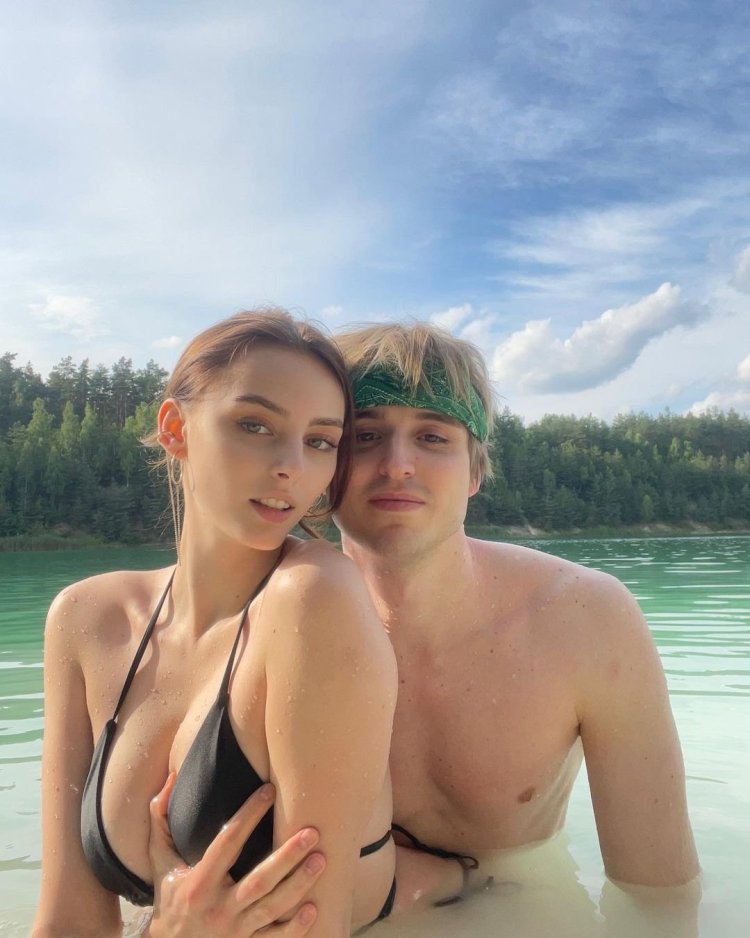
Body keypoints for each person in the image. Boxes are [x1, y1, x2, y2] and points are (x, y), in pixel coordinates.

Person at [145, 320, 700, 936]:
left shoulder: (587, 620)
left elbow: (661, 896)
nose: (398, 465)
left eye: (433, 437)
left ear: (475, 471)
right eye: (366, 436)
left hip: (515, 913)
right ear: (326, 461)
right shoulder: (250, 623)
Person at [31, 311, 467, 938]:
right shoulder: (84, 619)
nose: (291, 465)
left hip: (440, 916)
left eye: (321, 441)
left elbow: (316, 928)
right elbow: (66, 923)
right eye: (255, 425)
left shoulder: (314, 599)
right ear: (175, 428)